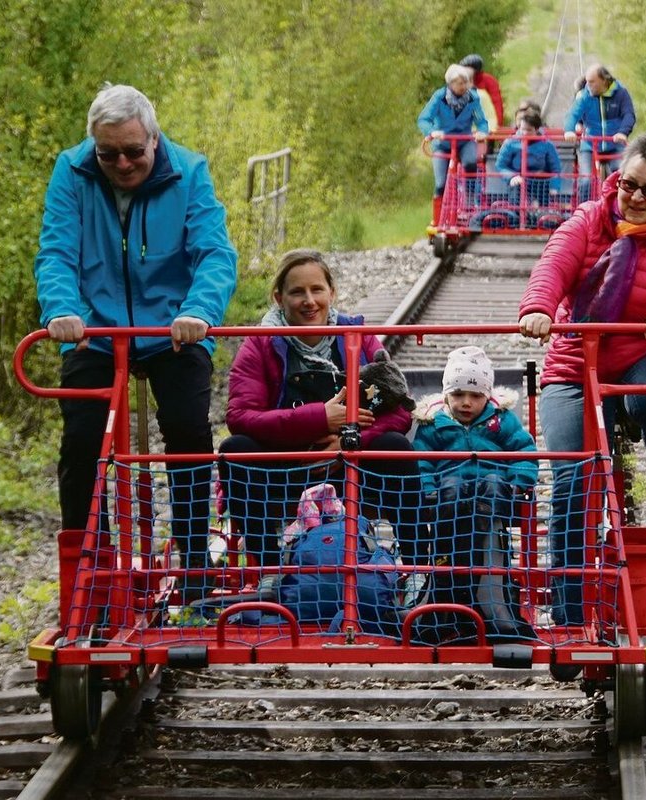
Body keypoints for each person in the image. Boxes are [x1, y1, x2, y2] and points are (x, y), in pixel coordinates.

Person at [33, 84, 238, 573]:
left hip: (174, 328)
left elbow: (214, 252)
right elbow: (57, 251)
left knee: (188, 431)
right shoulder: (72, 171)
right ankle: (90, 571)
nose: (122, 164)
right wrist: (62, 309)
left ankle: (195, 564)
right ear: (93, 148)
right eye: (108, 154)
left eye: (132, 151)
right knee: (82, 443)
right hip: (95, 331)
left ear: (153, 137)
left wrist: (199, 311)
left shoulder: (189, 172)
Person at [517, 132, 646, 631]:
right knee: (572, 477)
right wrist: (540, 308)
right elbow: (554, 265)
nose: (636, 198)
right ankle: (567, 617)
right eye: (629, 185)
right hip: (576, 363)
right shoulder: (590, 219)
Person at [220, 249, 424, 567]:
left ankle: (417, 565)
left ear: (332, 292)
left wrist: (348, 442)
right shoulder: (260, 343)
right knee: (236, 450)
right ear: (279, 297)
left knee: (396, 448)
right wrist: (319, 418)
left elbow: (399, 409)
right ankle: (268, 567)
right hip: (289, 465)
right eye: (297, 292)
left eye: (317, 290)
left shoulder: (359, 337)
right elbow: (240, 416)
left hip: (350, 464)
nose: (309, 301)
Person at [411, 346, 539, 642]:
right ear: (446, 395)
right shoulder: (434, 424)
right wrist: (427, 491)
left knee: (494, 479)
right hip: (448, 501)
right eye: (458, 395)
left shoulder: (501, 420)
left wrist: (519, 482)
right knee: (451, 485)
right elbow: (422, 461)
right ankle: (448, 595)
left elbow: (524, 451)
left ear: (487, 396)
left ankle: (487, 594)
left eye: (475, 396)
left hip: (494, 498)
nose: (466, 402)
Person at [418, 64, 490, 226]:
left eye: (465, 82)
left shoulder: (472, 98)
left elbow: (481, 121)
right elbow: (424, 119)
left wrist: (482, 132)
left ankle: (471, 203)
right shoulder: (439, 97)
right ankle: (438, 219)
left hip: (464, 141)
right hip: (443, 143)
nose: (463, 86)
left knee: (471, 163)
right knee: (441, 183)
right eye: (459, 83)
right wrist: (432, 132)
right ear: (450, 84)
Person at [563, 64, 636, 197]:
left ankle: (617, 208)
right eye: (587, 81)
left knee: (620, 175)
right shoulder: (585, 95)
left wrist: (622, 132)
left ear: (604, 80)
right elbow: (573, 113)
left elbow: (628, 115)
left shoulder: (621, 93)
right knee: (586, 180)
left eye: (592, 82)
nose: (588, 85)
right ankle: (584, 211)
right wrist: (569, 130)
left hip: (614, 142)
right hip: (590, 143)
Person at [494, 108, 562, 208]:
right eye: (522, 129)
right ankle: (516, 215)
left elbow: (556, 168)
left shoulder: (547, 145)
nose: (525, 133)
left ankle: (541, 214)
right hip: (518, 179)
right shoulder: (510, 142)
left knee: (542, 187)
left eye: (529, 130)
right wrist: (512, 176)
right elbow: (500, 165)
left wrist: (554, 186)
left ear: (537, 129)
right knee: (517, 186)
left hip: (539, 181)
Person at [459, 54, 505, 130]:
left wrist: (496, 125)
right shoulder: (459, 81)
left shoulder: (488, 81)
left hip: (486, 125)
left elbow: (496, 103)